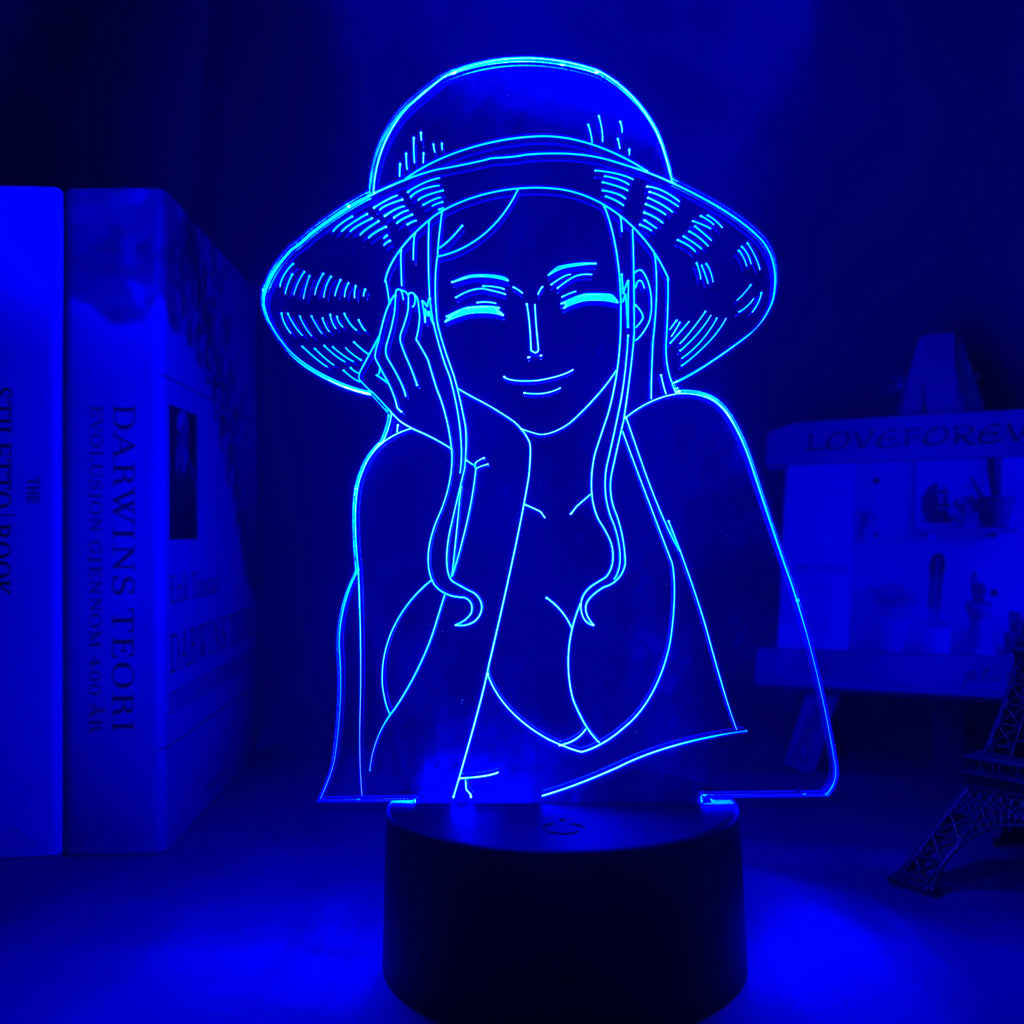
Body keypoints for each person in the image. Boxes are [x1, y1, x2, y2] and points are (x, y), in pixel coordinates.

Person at [262, 58, 836, 803]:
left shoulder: (686, 445)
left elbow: (788, 751)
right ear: (419, 319)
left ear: (638, 298)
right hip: (463, 869)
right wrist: (489, 469)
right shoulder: (404, 482)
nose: (534, 344)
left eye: (579, 290)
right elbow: (381, 782)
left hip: (674, 866)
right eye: (478, 301)